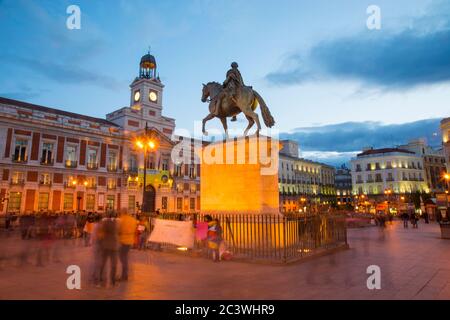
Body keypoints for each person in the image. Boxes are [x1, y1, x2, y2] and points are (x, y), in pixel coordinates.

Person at [98, 213, 120, 287]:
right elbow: (119, 232)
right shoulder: (116, 223)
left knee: (103, 263)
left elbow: (101, 234)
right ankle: (113, 280)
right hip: (114, 245)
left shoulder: (104, 223)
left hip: (105, 245)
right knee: (114, 264)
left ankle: (100, 278)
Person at [118, 209, 137, 282]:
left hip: (123, 241)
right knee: (125, 258)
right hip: (130, 241)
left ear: (123, 212)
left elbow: (119, 230)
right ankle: (124, 275)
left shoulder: (122, 219)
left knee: (123, 259)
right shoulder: (133, 220)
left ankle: (124, 276)